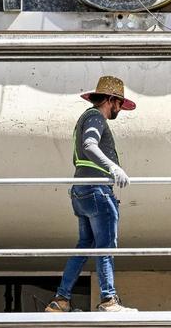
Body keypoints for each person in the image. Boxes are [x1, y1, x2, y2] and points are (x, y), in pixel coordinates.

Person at [45, 76, 137, 312]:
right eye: (118, 103)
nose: (119, 109)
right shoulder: (96, 117)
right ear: (110, 100)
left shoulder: (85, 118)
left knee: (85, 246)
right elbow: (89, 144)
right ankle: (109, 299)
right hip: (96, 190)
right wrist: (113, 167)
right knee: (105, 246)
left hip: (81, 191)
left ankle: (61, 299)